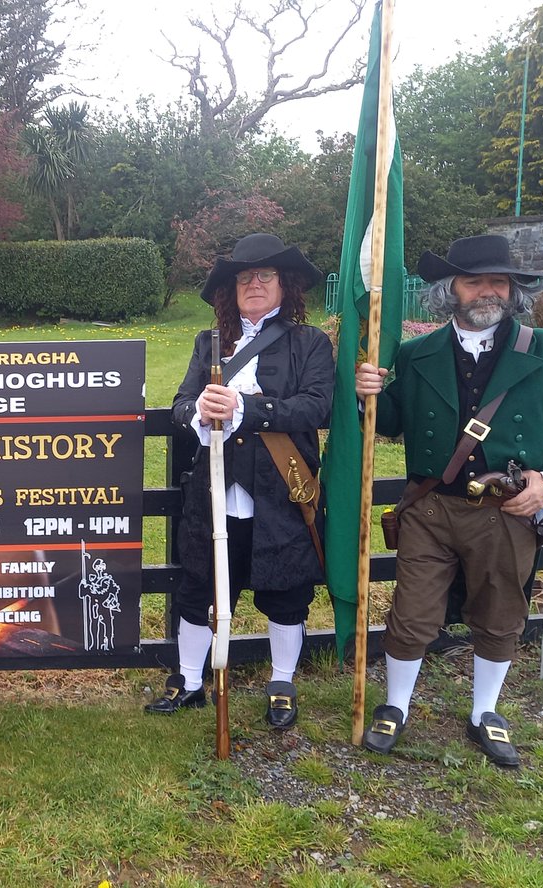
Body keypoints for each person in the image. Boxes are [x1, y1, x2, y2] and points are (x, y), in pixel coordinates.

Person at [355, 234, 543, 767]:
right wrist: (368, 390)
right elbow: (390, 424)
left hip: (507, 510)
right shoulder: (416, 354)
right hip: (431, 509)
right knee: (412, 613)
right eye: (475, 280)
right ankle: (395, 706)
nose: (489, 291)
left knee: (500, 612)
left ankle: (485, 712)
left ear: (513, 290)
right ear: (449, 290)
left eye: (499, 281)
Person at [146, 233, 333, 728]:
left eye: (265, 276)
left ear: (284, 285)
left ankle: (282, 685)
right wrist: (197, 412)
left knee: (287, 593)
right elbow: (181, 405)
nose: (254, 284)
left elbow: (317, 406)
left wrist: (249, 408)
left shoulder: (309, 343)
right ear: (230, 290)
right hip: (214, 491)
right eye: (244, 277)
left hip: (281, 491)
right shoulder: (207, 344)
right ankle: (188, 682)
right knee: (196, 588)